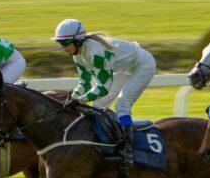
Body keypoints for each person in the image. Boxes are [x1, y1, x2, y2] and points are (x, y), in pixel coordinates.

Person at [52, 19, 156, 158]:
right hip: (125, 67)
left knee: (122, 105)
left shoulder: (96, 52)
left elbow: (102, 88)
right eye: (59, 43)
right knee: (98, 106)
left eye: (65, 43)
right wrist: (73, 97)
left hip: (143, 65)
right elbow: (85, 82)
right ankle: (106, 143)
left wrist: (80, 100)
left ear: (78, 40)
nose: (62, 47)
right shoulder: (78, 54)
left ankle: (128, 148)